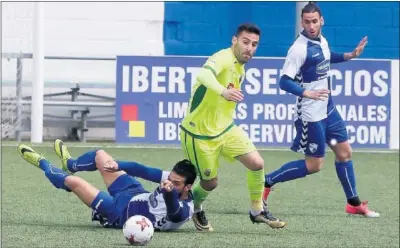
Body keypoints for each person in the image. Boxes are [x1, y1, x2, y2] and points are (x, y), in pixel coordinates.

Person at [262, 2, 379, 218]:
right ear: (302, 22)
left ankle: (353, 203)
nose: (311, 26)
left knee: (345, 153)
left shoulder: (321, 40)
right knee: (314, 165)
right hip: (310, 114)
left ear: (321, 20)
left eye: (314, 21)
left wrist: (349, 55)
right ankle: (267, 181)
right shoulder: (298, 49)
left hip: (328, 108)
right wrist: (306, 93)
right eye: (307, 22)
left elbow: (325, 57)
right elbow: (284, 81)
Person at [179, 23, 286, 232]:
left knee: (257, 163)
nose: (250, 48)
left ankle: (257, 211)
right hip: (199, 134)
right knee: (210, 183)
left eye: (254, 44)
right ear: (234, 40)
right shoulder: (223, 58)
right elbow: (203, 75)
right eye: (246, 42)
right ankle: (196, 207)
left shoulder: (239, 65)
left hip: (226, 129)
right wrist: (223, 92)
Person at [17, 139, 198, 231]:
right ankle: (70, 164)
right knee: (101, 155)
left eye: (176, 183)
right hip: (134, 192)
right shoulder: (172, 179)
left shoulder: (184, 211)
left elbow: (173, 209)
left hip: (119, 213)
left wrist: (168, 192)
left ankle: (41, 162)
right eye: (171, 179)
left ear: (188, 187)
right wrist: (118, 166)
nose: (170, 183)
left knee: (73, 182)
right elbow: (142, 170)